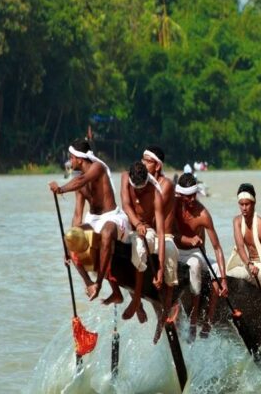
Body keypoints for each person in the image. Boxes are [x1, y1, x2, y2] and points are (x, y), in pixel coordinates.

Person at [49, 138, 127, 307]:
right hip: (93, 220)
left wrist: (60, 189)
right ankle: (89, 283)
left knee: (106, 234)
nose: (70, 161)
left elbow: (80, 181)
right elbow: (78, 215)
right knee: (69, 238)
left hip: (111, 217)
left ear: (79, 158)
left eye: (71, 158)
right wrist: (70, 245)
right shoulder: (79, 181)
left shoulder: (97, 168)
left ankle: (99, 283)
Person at [120, 154, 180, 329]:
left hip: (149, 232)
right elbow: (126, 205)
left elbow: (161, 232)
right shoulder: (125, 177)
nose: (139, 192)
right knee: (129, 248)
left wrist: (160, 268)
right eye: (135, 188)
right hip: (129, 228)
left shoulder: (156, 193)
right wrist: (136, 223)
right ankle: (136, 301)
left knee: (158, 251)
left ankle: (165, 313)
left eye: (142, 188)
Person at [173, 172, 227, 338]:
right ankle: (179, 314)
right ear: (180, 194)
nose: (191, 200)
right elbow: (167, 233)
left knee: (216, 270)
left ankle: (206, 321)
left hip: (196, 253)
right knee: (194, 264)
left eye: (193, 195)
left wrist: (223, 279)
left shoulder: (203, 214)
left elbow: (217, 248)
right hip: (175, 250)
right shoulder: (173, 205)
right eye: (187, 196)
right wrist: (189, 239)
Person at [227, 183, 261, 296]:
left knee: (231, 274)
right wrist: (249, 264)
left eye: (247, 204)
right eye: (241, 204)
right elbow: (240, 247)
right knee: (224, 273)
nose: (244, 208)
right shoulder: (237, 221)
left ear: (254, 203)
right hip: (250, 266)